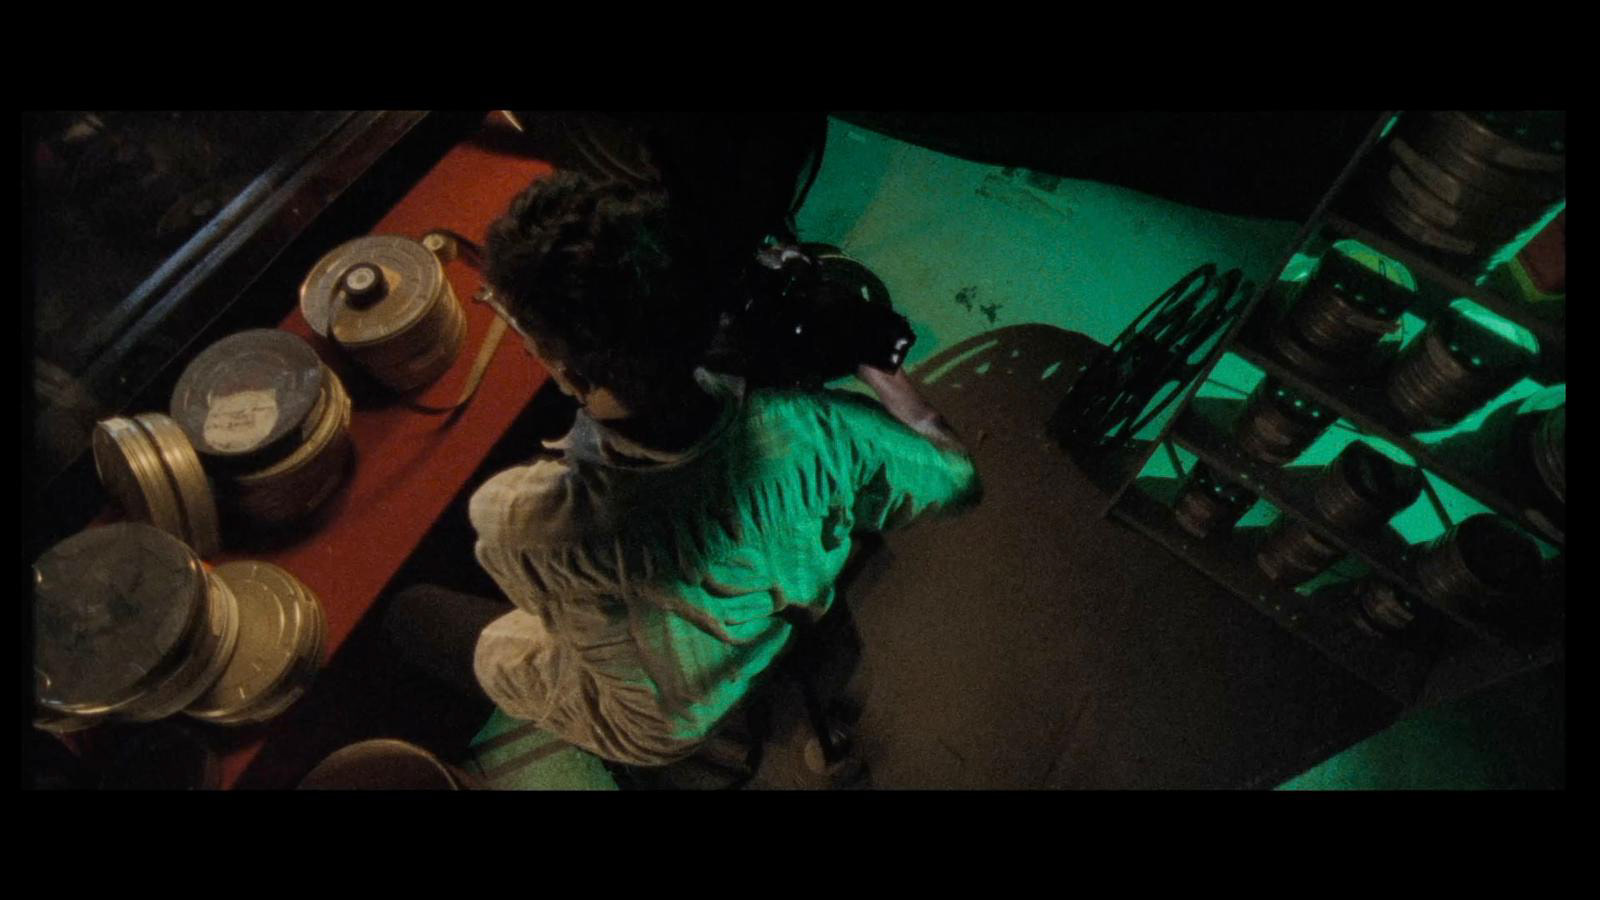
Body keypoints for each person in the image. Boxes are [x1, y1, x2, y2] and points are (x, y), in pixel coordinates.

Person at [394, 170, 980, 767]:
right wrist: (876, 365)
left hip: (665, 718)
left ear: (565, 369)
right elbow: (958, 477)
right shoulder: (822, 430)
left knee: (415, 615)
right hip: (780, 624)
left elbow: (554, 616)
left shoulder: (522, 521)